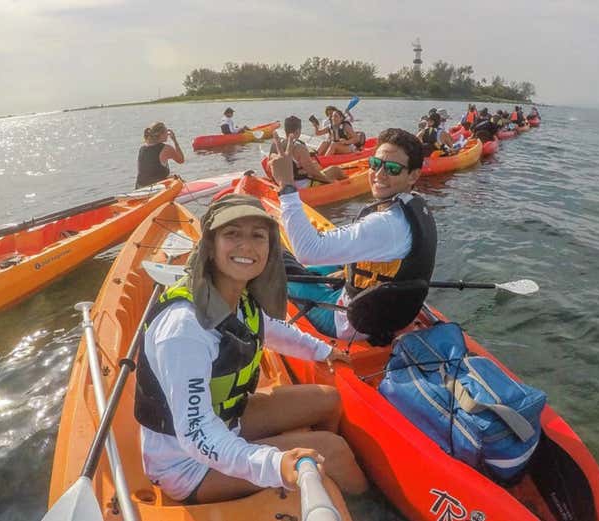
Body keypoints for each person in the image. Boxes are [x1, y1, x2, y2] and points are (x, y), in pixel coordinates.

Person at [134, 194, 368, 504]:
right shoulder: (183, 330)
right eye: (232, 234)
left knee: (328, 399)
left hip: (229, 421)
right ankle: (360, 504)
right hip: (186, 464)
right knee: (333, 451)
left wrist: (322, 351)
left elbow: (270, 329)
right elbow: (196, 433)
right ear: (210, 246)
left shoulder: (239, 299)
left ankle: (323, 483)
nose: (247, 246)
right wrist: (274, 464)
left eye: (258, 236)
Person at [269, 128, 437, 344]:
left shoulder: (385, 225)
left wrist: (286, 186)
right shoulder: (413, 204)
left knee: (277, 259)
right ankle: (325, 279)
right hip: (386, 314)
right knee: (325, 268)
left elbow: (307, 251)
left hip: (349, 323)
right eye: (376, 164)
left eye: (393, 169)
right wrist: (346, 274)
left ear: (413, 175)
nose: (379, 174)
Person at [269, 116, 346, 188]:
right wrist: (329, 181)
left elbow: (271, 166)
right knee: (335, 170)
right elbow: (312, 172)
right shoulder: (299, 148)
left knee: (316, 165)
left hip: (281, 182)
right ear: (298, 131)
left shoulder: (275, 144)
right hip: (301, 185)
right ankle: (347, 184)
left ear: (285, 129)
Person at [136, 122, 184, 189]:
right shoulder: (166, 148)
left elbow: (148, 173)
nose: (168, 134)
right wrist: (175, 141)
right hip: (156, 190)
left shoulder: (142, 148)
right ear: (161, 135)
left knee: (173, 177)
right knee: (178, 179)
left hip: (139, 188)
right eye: (166, 132)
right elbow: (181, 160)